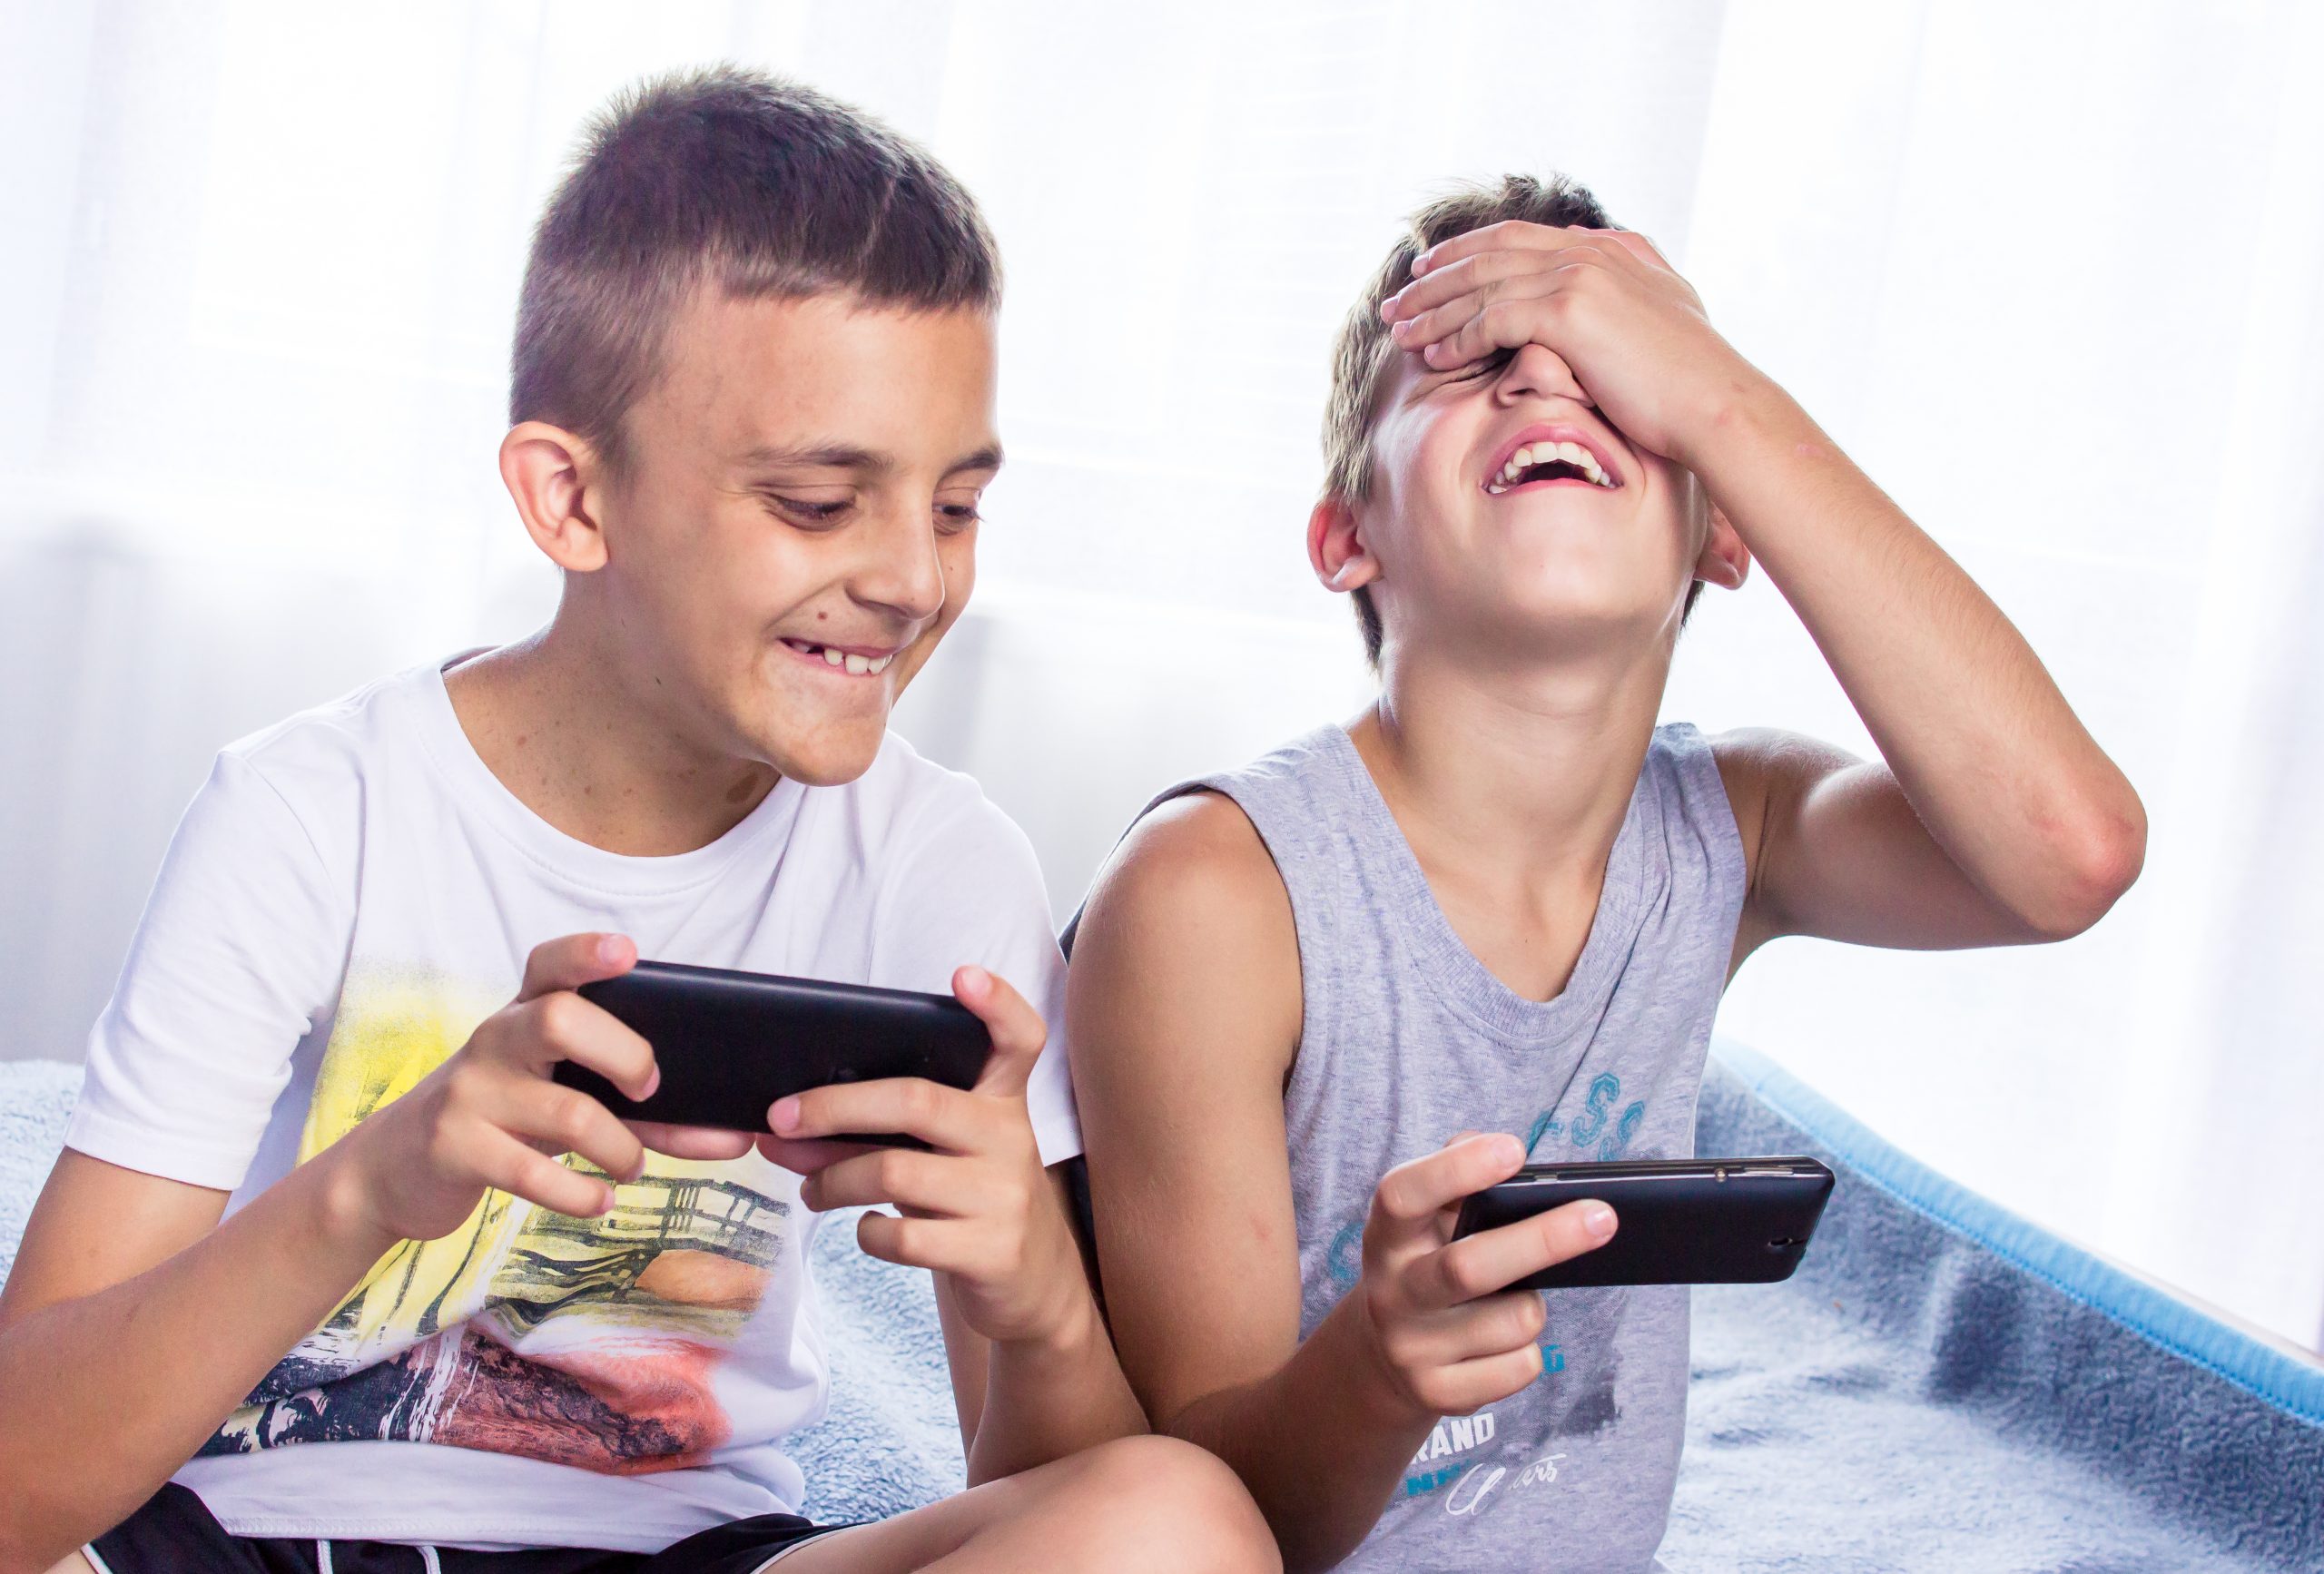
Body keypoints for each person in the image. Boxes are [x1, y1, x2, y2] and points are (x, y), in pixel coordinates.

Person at [0, 67, 1273, 1574]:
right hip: (255, 1535)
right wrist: (368, 1185)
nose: (915, 580)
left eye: (955, 505)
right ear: (570, 500)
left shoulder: (944, 866)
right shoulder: (311, 809)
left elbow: (1049, 1490)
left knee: (1179, 1518)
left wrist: (1041, 1292)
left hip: (680, 1551)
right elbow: (24, 1479)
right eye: (818, 501)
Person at [1064, 174, 2146, 1573]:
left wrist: (1724, 402)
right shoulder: (1214, 892)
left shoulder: (1734, 825)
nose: (1550, 386)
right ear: (1348, 536)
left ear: (1725, 527)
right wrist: (1376, 1371)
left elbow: (2069, 854)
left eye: (1621, 374)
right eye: (1475, 359)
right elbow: (1197, 1524)